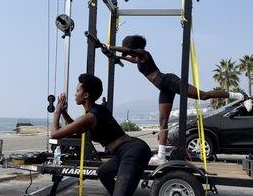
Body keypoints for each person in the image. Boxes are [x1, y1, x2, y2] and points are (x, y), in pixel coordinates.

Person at [51, 73, 151, 196]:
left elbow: (56, 134)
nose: (75, 93)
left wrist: (57, 112)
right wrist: (64, 113)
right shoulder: (95, 111)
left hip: (132, 152)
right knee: (103, 172)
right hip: (126, 152)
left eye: (78, 89)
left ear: (86, 95)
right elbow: (77, 127)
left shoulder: (92, 115)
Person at [105, 35, 252, 165]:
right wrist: (117, 56)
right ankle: (161, 156)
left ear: (133, 46)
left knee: (204, 95)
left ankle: (240, 96)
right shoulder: (137, 58)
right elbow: (130, 58)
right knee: (163, 122)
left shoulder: (144, 53)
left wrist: (110, 47)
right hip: (164, 88)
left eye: (127, 47)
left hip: (169, 81)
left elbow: (132, 53)